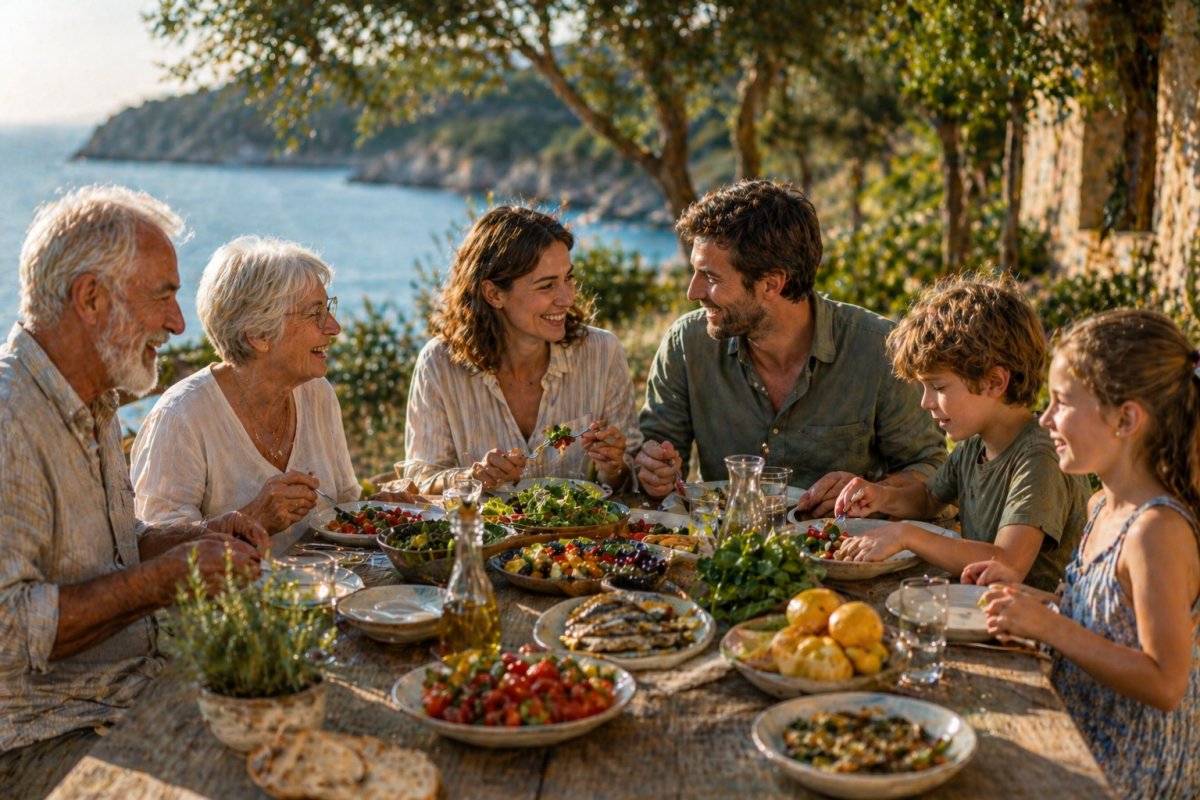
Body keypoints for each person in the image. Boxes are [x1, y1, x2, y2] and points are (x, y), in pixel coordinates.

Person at [0, 186, 267, 785]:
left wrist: (196, 538)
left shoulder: (93, 401)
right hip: (43, 740)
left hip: (125, 696)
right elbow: (9, 631)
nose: (177, 323)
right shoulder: (9, 420)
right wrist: (156, 585)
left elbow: (111, 548)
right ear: (90, 298)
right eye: (164, 296)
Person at [971, 309, 1200, 799]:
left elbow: (1165, 682)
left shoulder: (1155, 531)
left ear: (1126, 418)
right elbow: (1101, 622)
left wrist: (1051, 627)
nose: (1046, 418)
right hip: (1078, 742)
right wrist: (1030, 603)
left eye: (1061, 403)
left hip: (1128, 778)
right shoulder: (1101, 505)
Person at [635, 180, 945, 514]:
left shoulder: (879, 350)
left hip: (843, 554)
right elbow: (650, 460)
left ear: (771, 284)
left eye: (710, 276)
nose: (693, 292)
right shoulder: (686, 345)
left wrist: (875, 492)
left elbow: (931, 472)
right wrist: (652, 469)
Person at [131, 236, 408, 553]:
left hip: (325, 592)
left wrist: (378, 507)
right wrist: (253, 519)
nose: (333, 326)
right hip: (237, 601)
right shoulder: (181, 418)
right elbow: (159, 556)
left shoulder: (317, 394)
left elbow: (344, 506)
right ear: (259, 335)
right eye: (314, 313)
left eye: (328, 307)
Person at [830, 275, 1090, 592]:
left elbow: (1006, 564)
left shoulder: (1040, 455)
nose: (926, 402)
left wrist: (906, 535)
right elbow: (929, 498)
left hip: (1034, 626)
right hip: (982, 609)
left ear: (994, 382)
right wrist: (881, 496)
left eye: (938, 387)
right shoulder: (975, 445)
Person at [402, 205, 642, 494]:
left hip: (582, 539)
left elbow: (632, 478)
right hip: (482, 538)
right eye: (546, 286)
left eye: (568, 278)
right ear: (494, 294)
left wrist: (614, 466)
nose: (566, 298)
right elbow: (419, 481)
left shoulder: (603, 353)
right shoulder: (439, 364)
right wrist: (473, 477)